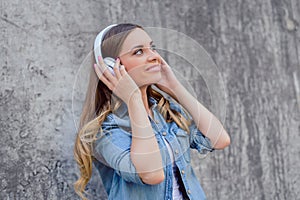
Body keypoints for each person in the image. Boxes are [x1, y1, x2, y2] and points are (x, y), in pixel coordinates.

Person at [74, 23, 230, 200]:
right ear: (111, 67)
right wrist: (132, 99)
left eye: (152, 48)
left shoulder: (165, 112)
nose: (154, 56)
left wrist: (175, 87)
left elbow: (219, 139)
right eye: (139, 51)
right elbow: (153, 175)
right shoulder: (105, 130)